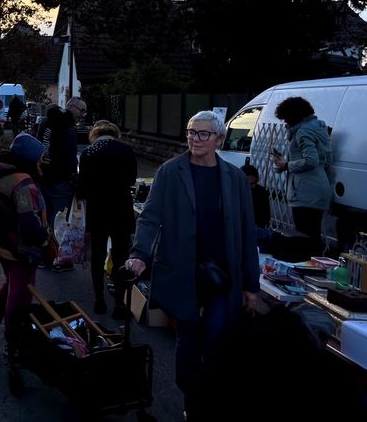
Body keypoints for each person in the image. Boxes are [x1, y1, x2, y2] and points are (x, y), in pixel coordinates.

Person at [125, 110, 259, 420]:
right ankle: (190, 395)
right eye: (190, 132)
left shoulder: (235, 178)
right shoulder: (171, 171)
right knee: (188, 339)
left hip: (223, 276)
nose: (194, 139)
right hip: (184, 273)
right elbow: (151, 216)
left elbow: (246, 232)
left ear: (219, 139)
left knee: (215, 339)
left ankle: (206, 400)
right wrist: (138, 255)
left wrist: (252, 286)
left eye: (202, 134)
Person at [0, 133, 50, 355]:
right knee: (21, 295)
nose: (41, 162)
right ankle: (14, 339)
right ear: (29, 158)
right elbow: (28, 221)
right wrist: (43, 241)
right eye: (39, 158)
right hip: (20, 248)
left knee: (13, 284)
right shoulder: (22, 183)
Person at [76, 120, 137, 317]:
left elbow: (82, 187)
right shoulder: (126, 150)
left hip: (98, 209)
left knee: (98, 255)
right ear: (115, 134)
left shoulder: (88, 153)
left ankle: (99, 300)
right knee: (121, 256)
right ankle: (120, 302)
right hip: (121, 208)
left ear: (95, 135)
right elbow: (131, 179)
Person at [271, 96, 332, 255]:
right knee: (312, 237)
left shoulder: (303, 131)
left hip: (305, 191)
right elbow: (324, 161)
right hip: (317, 188)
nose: (285, 123)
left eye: (285, 119)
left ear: (293, 116)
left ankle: (306, 272)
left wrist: (286, 165)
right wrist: (285, 164)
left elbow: (311, 160)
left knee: (304, 238)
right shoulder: (318, 129)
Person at [35, 103, 79, 243]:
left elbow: (38, 144)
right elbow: (71, 157)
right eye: (82, 110)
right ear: (72, 108)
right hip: (60, 178)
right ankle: (55, 251)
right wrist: (73, 174)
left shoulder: (45, 123)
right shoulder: (67, 128)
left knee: (44, 214)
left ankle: (44, 247)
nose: (83, 114)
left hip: (43, 175)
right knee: (60, 216)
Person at [241, 164, 273, 251]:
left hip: (256, 227)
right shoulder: (233, 191)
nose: (253, 186)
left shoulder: (261, 192)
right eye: (251, 184)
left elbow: (266, 215)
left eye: (255, 183)